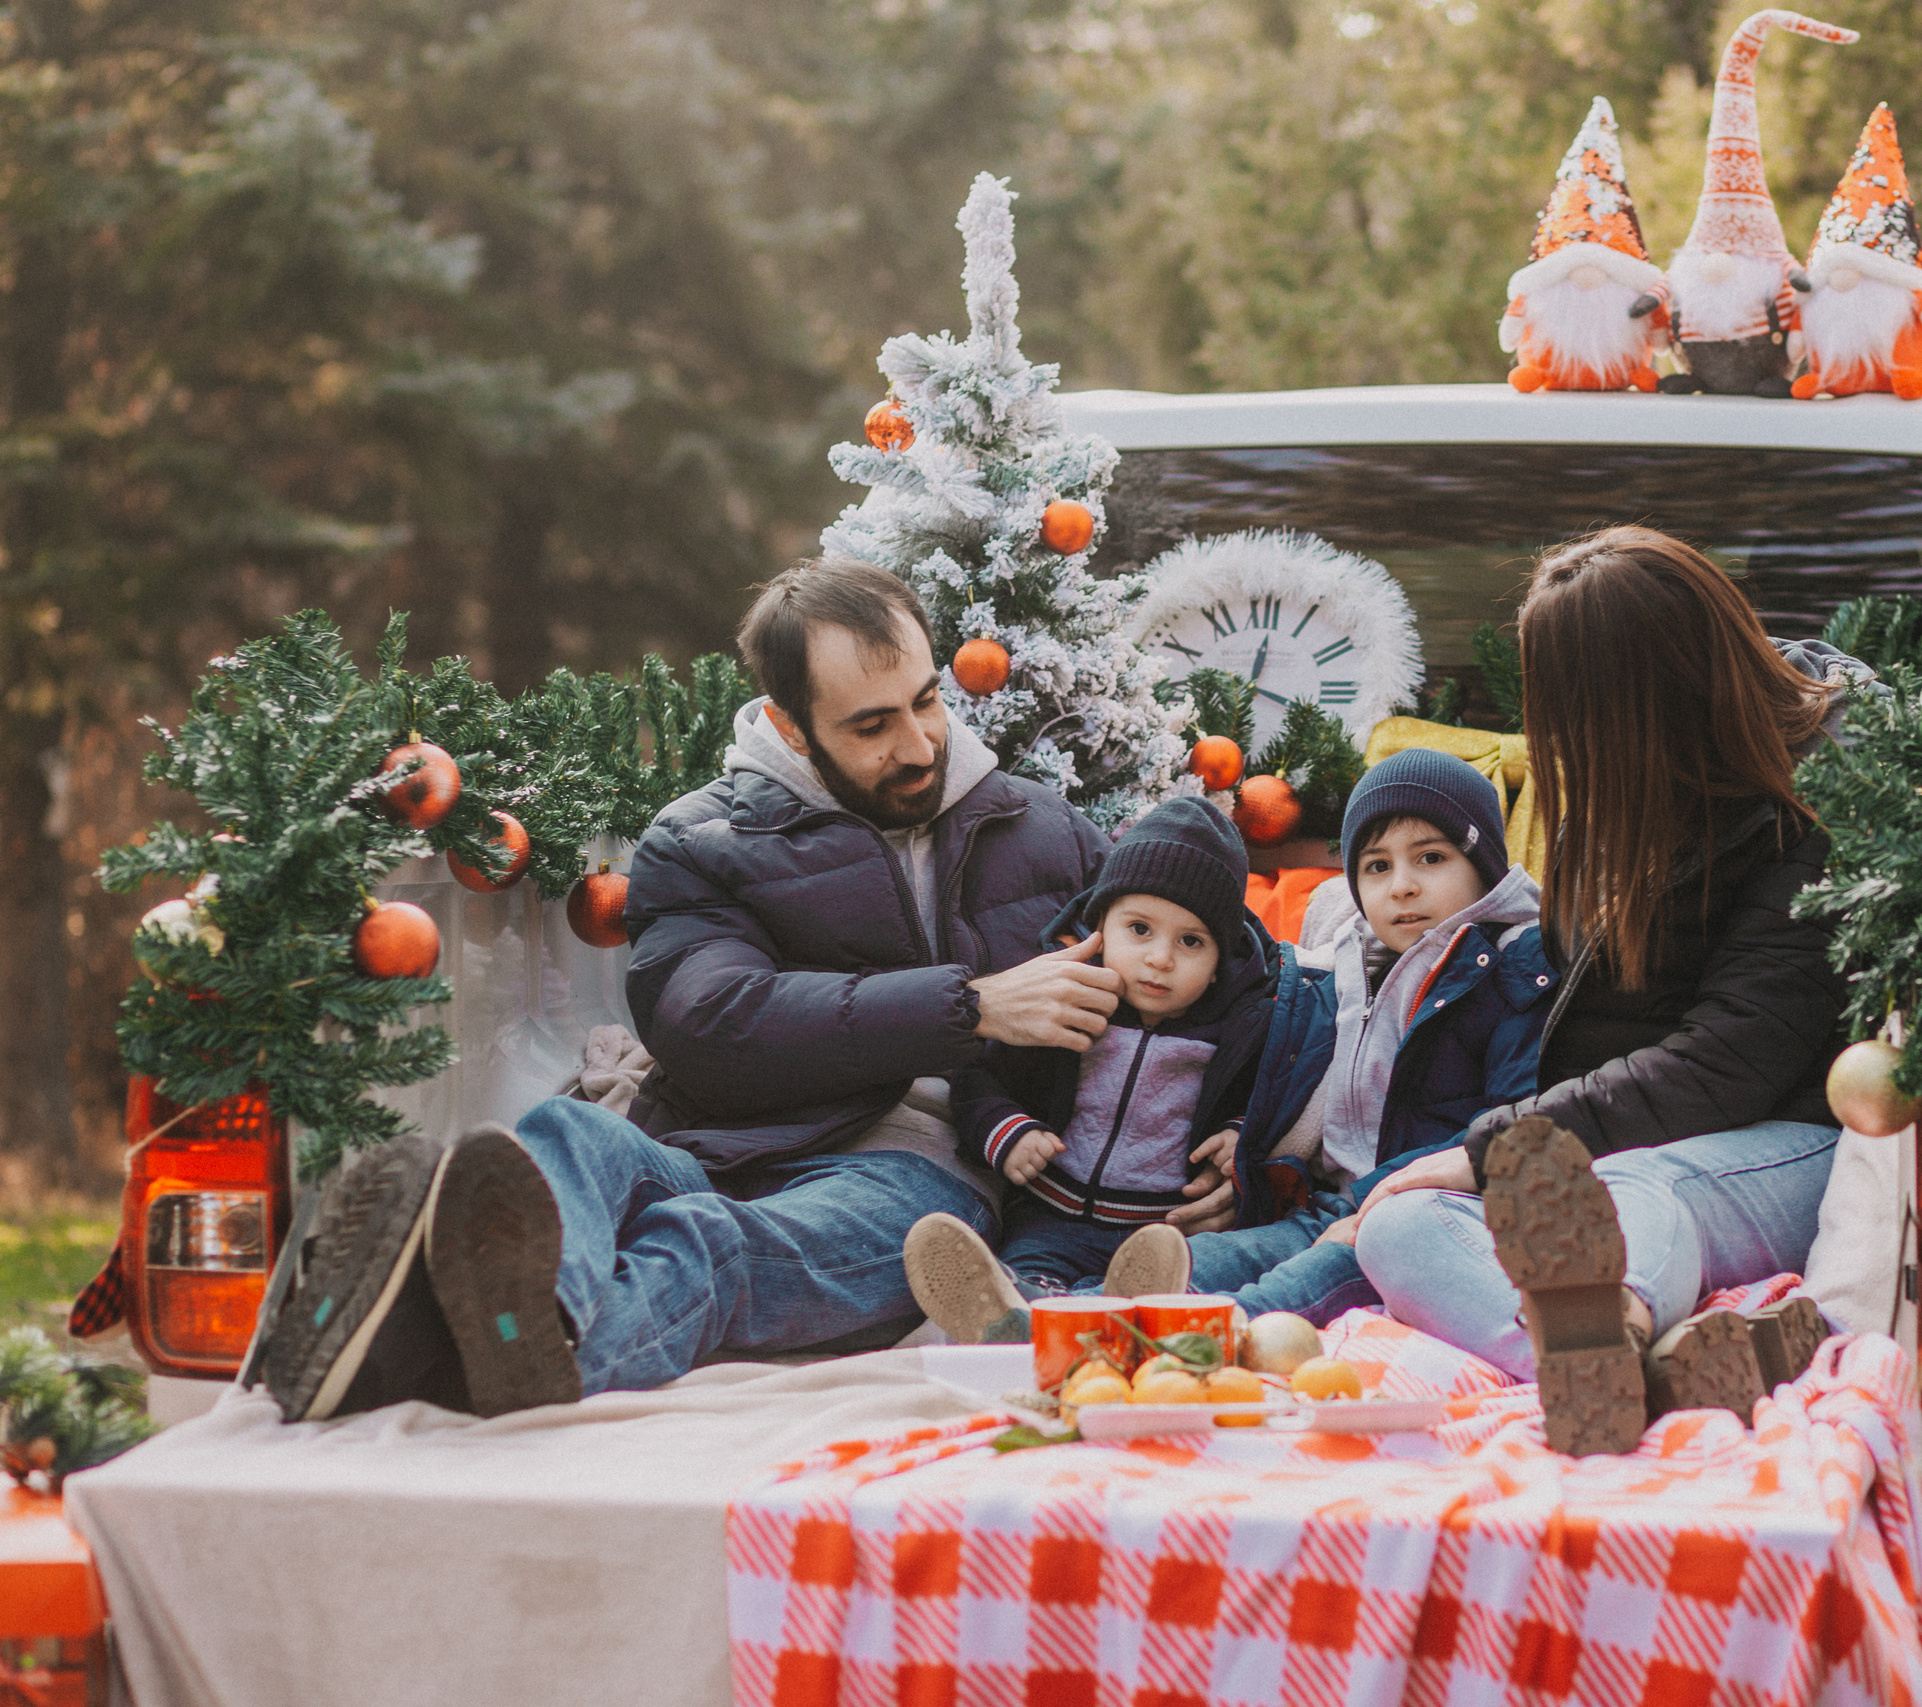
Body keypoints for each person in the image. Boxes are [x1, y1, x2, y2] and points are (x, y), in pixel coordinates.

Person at [256, 557, 1124, 1421]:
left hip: (914, 1177)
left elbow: (1189, 983)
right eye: (870, 725)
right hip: (718, 1148)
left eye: (926, 700)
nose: (919, 743)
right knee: (568, 1130)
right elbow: (709, 1022)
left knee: (704, 1246)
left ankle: (417, 1351)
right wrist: (969, 1006)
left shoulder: (1045, 832)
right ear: (790, 728)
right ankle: (515, 1322)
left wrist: (1246, 1138)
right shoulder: (700, 837)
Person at [1351, 526, 1864, 1455]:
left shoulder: (1814, 815)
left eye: (1565, 705)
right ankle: (1649, 1372)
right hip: (1625, 1149)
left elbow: (1731, 1063)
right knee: (1400, 1224)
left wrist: (1498, 1148)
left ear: (1637, 701)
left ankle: (1614, 1327)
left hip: (1783, 1143)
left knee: (1633, 1190)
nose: (1552, 735)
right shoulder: (1636, 805)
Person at [1177, 749, 1554, 1324]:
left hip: (1427, 1215)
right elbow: (1297, 1077)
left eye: (1430, 858)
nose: (1401, 887)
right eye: (1377, 866)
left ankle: (1187, 1341)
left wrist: (1371, 1202)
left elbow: (1516, 1120)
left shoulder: (1513, 968)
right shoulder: (1341, 967)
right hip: (1327, 1204)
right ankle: (1057, 1314)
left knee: (1282, 1293)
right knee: (1199, 1261)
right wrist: (1247, 1135)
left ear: (1485, 866)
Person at [898, 798, 1285, 1334]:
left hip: (1159, 1229)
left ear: (1221, 962)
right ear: (1099, 925)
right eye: (1140, 929)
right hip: (1052, 1216)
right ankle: (1014, 1316)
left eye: (1191, 942)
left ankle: (1100, 1317)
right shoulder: (1065, 1002)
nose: (1160, 959)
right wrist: (1008, 1132)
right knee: (1030, 1271)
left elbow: (1268, 1099)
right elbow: (976, 1077)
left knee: (1166, 1286)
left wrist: (1238, 1134)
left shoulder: (1238, 1029)